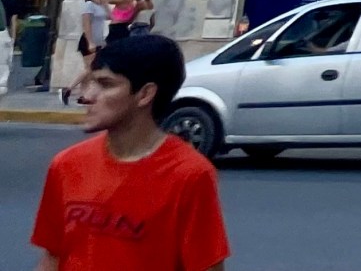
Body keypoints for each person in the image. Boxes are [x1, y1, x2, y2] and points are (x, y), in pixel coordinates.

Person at [33, 32, 229, 271]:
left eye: (105, 84)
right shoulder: (66, 164)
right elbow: (52, 257)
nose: (87, 96)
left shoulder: (190, 175)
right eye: (91, 82)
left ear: (145, 94)